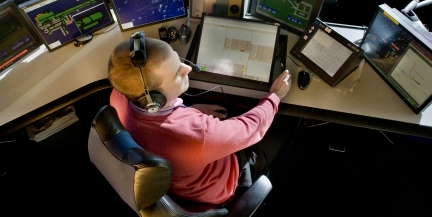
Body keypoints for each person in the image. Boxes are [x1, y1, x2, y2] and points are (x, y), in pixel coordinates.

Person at [108, 31, 296, 206]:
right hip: (223, 185)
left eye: (178, 60)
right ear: (155, 99)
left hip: (177, 178)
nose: (188, 68)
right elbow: (250, 128)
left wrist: (189, 110)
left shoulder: (119, 96)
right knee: (286, 121)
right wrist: (275, 96)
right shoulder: (198, 135)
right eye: (177, 73)